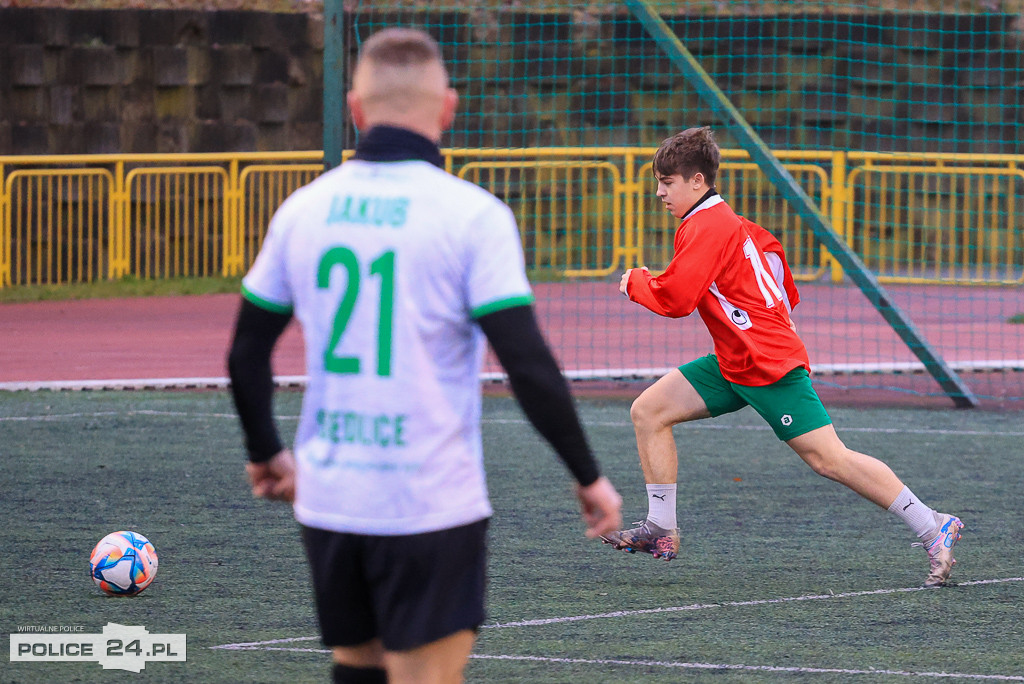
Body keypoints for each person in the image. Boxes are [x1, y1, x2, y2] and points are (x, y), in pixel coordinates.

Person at [226, 28, 622, 684]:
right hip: (427, 502)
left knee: (358, 666)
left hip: (331, 499)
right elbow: (526, 363)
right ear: (448, 110)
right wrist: (587, 475)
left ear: (355, 110)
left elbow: (245, 354)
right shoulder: (472, 215)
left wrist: (267, 451)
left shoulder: (303, 211)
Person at [599, 126, 963, 588]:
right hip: (735, 358)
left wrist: (635, 281)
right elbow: (779, 271)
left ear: (697, 181)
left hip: (765, 364)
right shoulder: (735, 223)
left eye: (667, 182)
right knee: (649, 411)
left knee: (830, 459)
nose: (659, 192)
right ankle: (660, 529)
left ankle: (934, 524)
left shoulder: (706, 224)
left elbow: (676, 300)